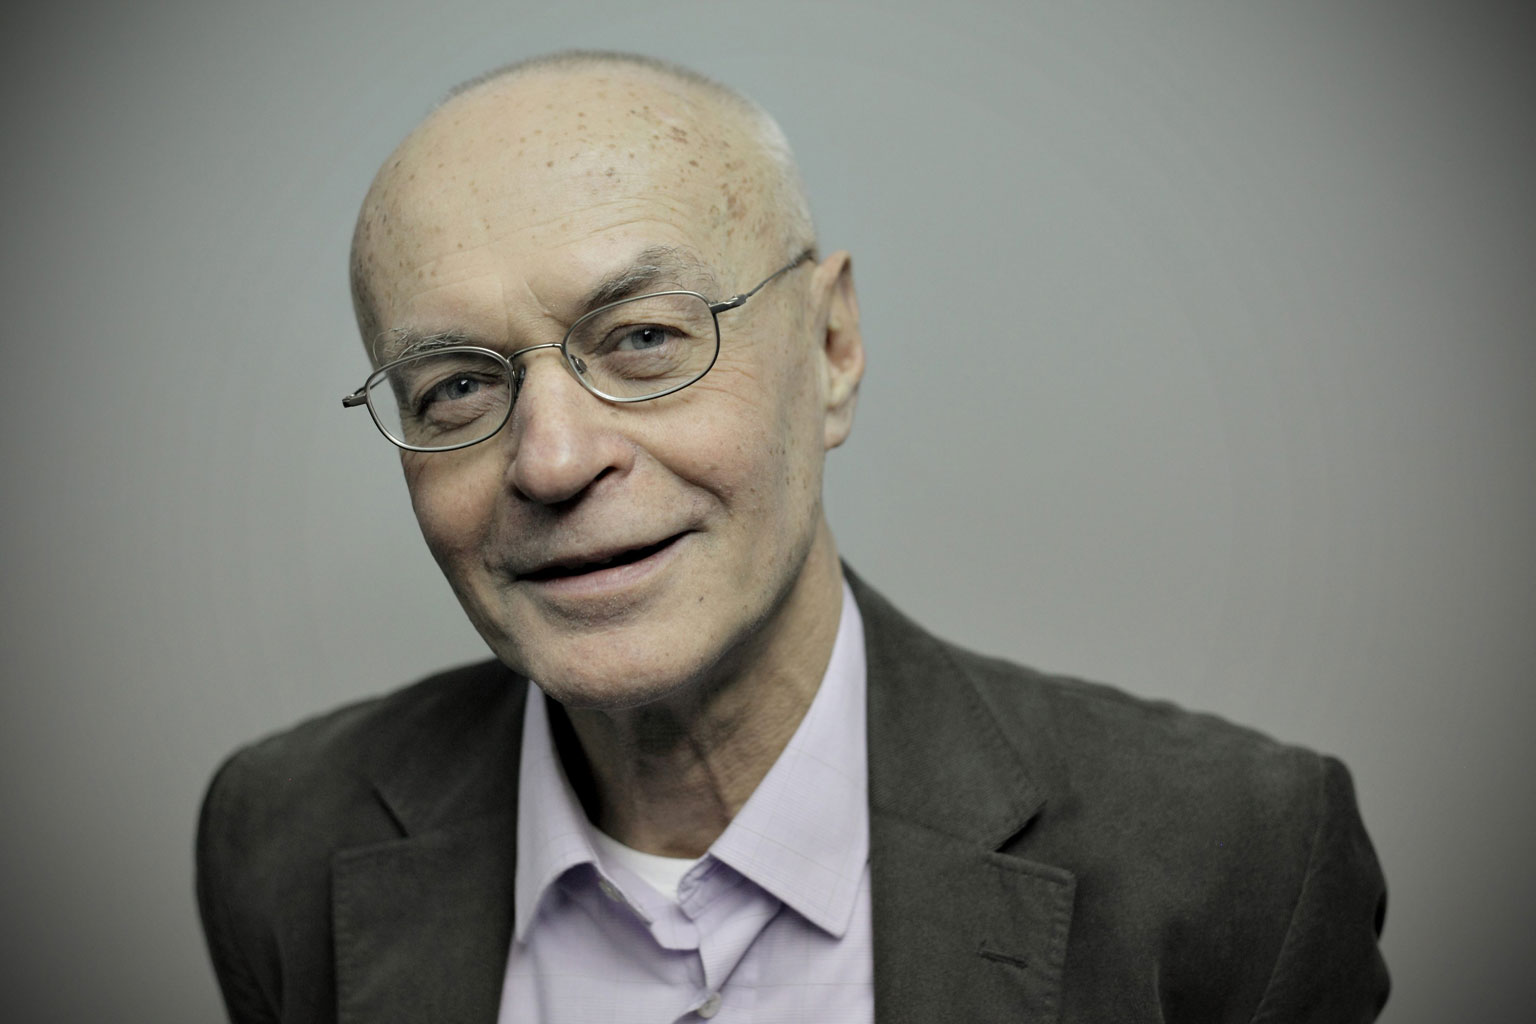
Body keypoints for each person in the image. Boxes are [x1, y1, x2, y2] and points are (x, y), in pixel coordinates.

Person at [197, 51, 1389, 1023]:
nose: (553, 460)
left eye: (644, 338)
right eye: (456, 386)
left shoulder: (1236, 863)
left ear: (831, 349)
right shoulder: (280, 843)